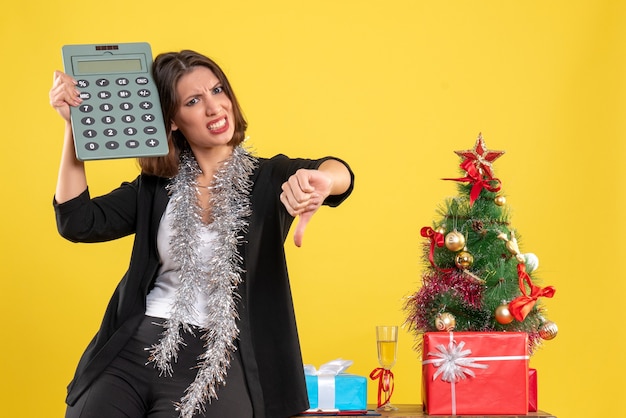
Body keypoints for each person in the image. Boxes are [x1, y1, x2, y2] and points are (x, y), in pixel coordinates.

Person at [49, 49, 354, 418]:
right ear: (173, 120)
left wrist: (324, 180)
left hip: (218, 356)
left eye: (218, 90)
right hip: (134, 347)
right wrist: (74, 128)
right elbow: (78, 222)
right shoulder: (156, 187)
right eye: (194, 101)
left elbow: (339, 173)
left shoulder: (268, 178)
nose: (214, 108)